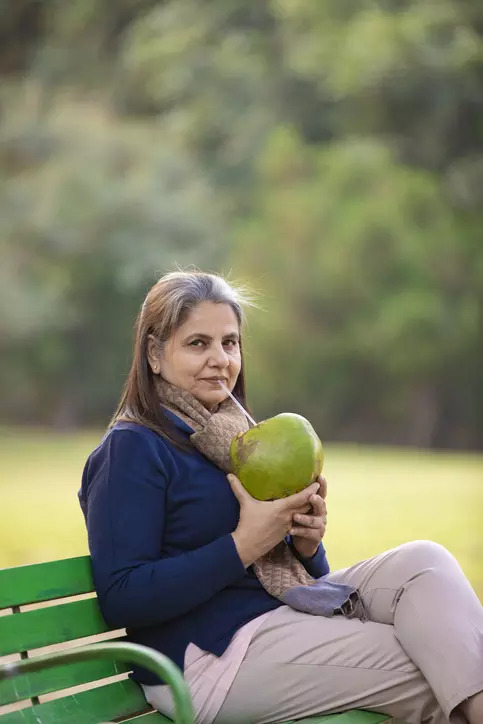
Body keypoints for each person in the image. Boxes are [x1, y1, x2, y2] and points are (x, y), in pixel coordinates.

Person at [79, 270, 483, 724]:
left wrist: (306, 547)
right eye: (198, 343)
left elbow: (291, 577)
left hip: (276, 620)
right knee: (436, 658)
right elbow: (122, 596)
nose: (220, 359)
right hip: (208, 659)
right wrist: (243, 544)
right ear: (154, 354)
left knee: (424, 566)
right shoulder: (133, 448)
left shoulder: (236, 439)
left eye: (229, 343)